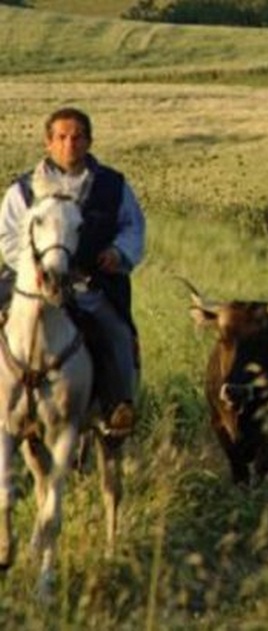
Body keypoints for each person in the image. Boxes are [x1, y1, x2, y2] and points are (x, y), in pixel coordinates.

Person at [0, 107, 145, 436]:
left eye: (78, 137)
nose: (70, 144)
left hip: (91, 283)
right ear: (48, 142)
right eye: (62, 137)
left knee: (117, 333)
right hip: (32, 282)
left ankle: (117, 407)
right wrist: (32, 268)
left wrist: (117, 252)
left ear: (90, 141)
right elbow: (7, 234)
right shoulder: (22, 190)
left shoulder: (113, 185)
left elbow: (132, 227)